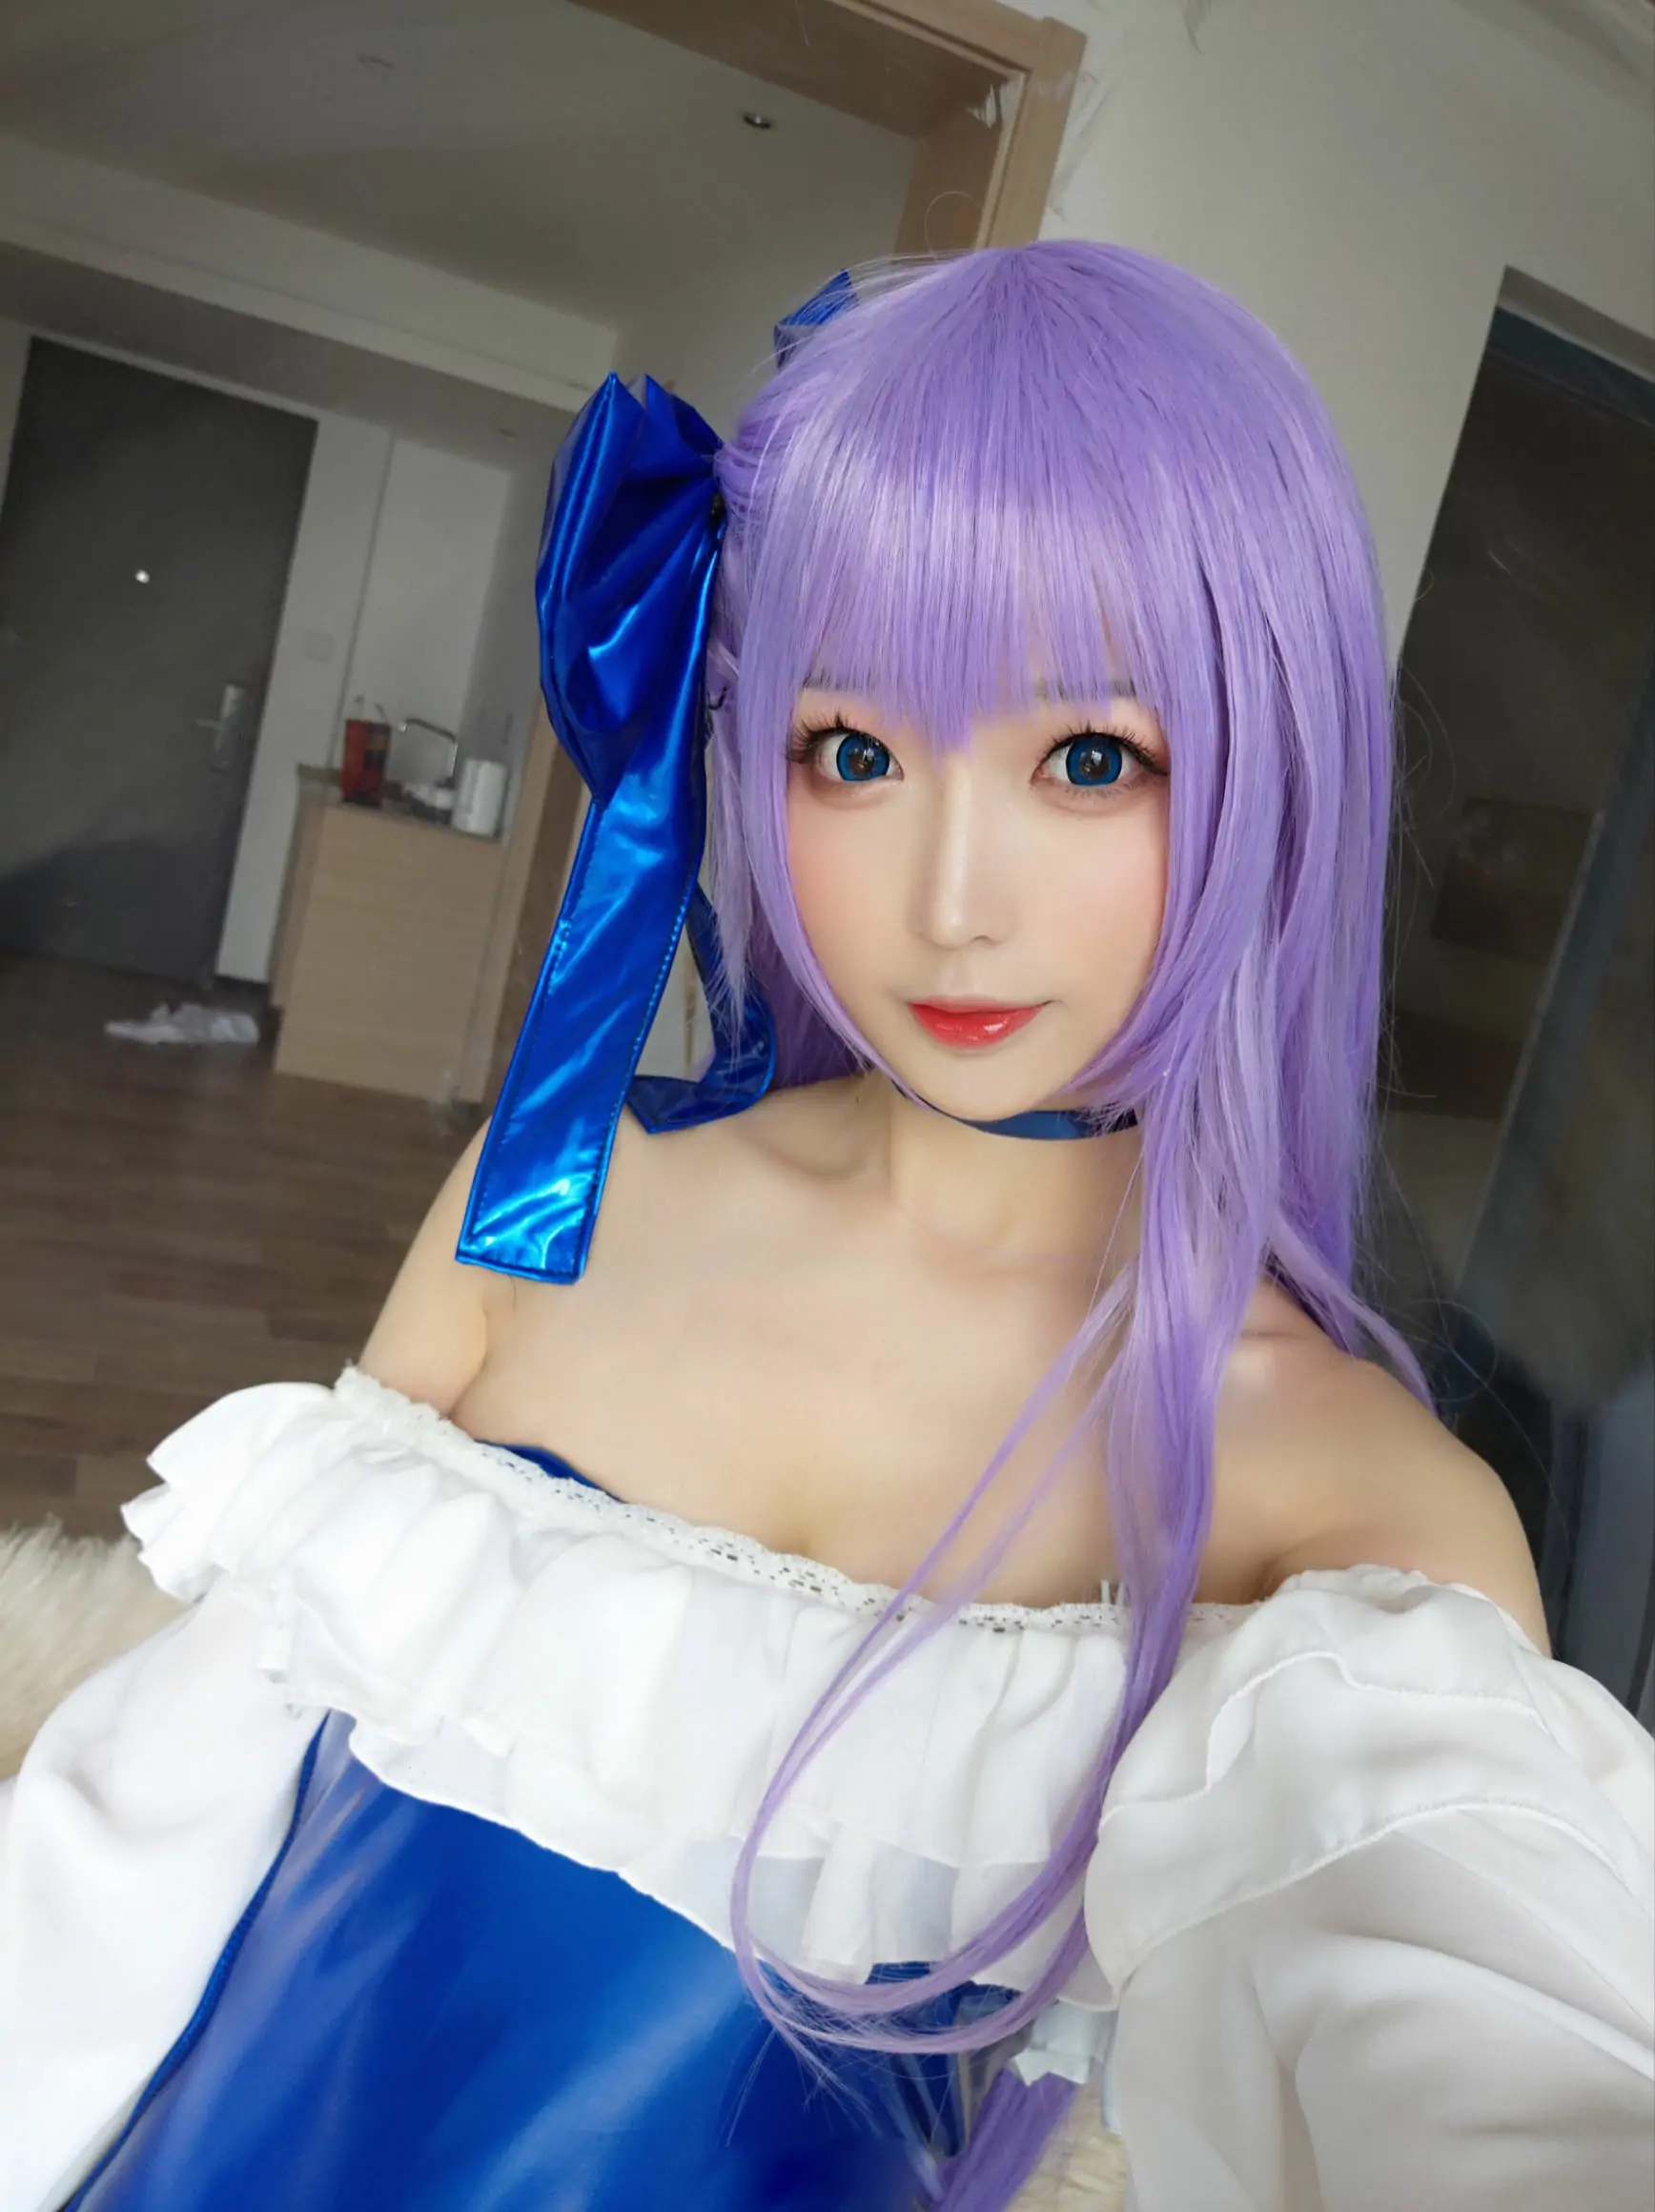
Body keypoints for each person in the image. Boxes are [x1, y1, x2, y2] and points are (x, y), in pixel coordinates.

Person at [2, 243, 1650, 2212]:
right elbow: (155, 1822)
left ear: (1267, 773)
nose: (951, 901)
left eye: (1090, 757)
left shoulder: (1344, 1500)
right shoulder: (554, 1206)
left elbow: (1483, 2034)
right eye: (852, 753)